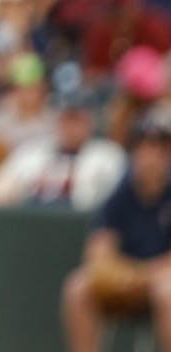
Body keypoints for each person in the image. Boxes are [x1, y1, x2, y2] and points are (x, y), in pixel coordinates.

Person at [62, 111, 171, 352]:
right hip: (129, 282)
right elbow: (98, 248)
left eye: (158, 148)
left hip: (160, 281)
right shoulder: (123, 190)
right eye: (144, 147)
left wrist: (144, 275)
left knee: (168, 291)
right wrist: (117, 272)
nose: (151, 156)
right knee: (78, 286)